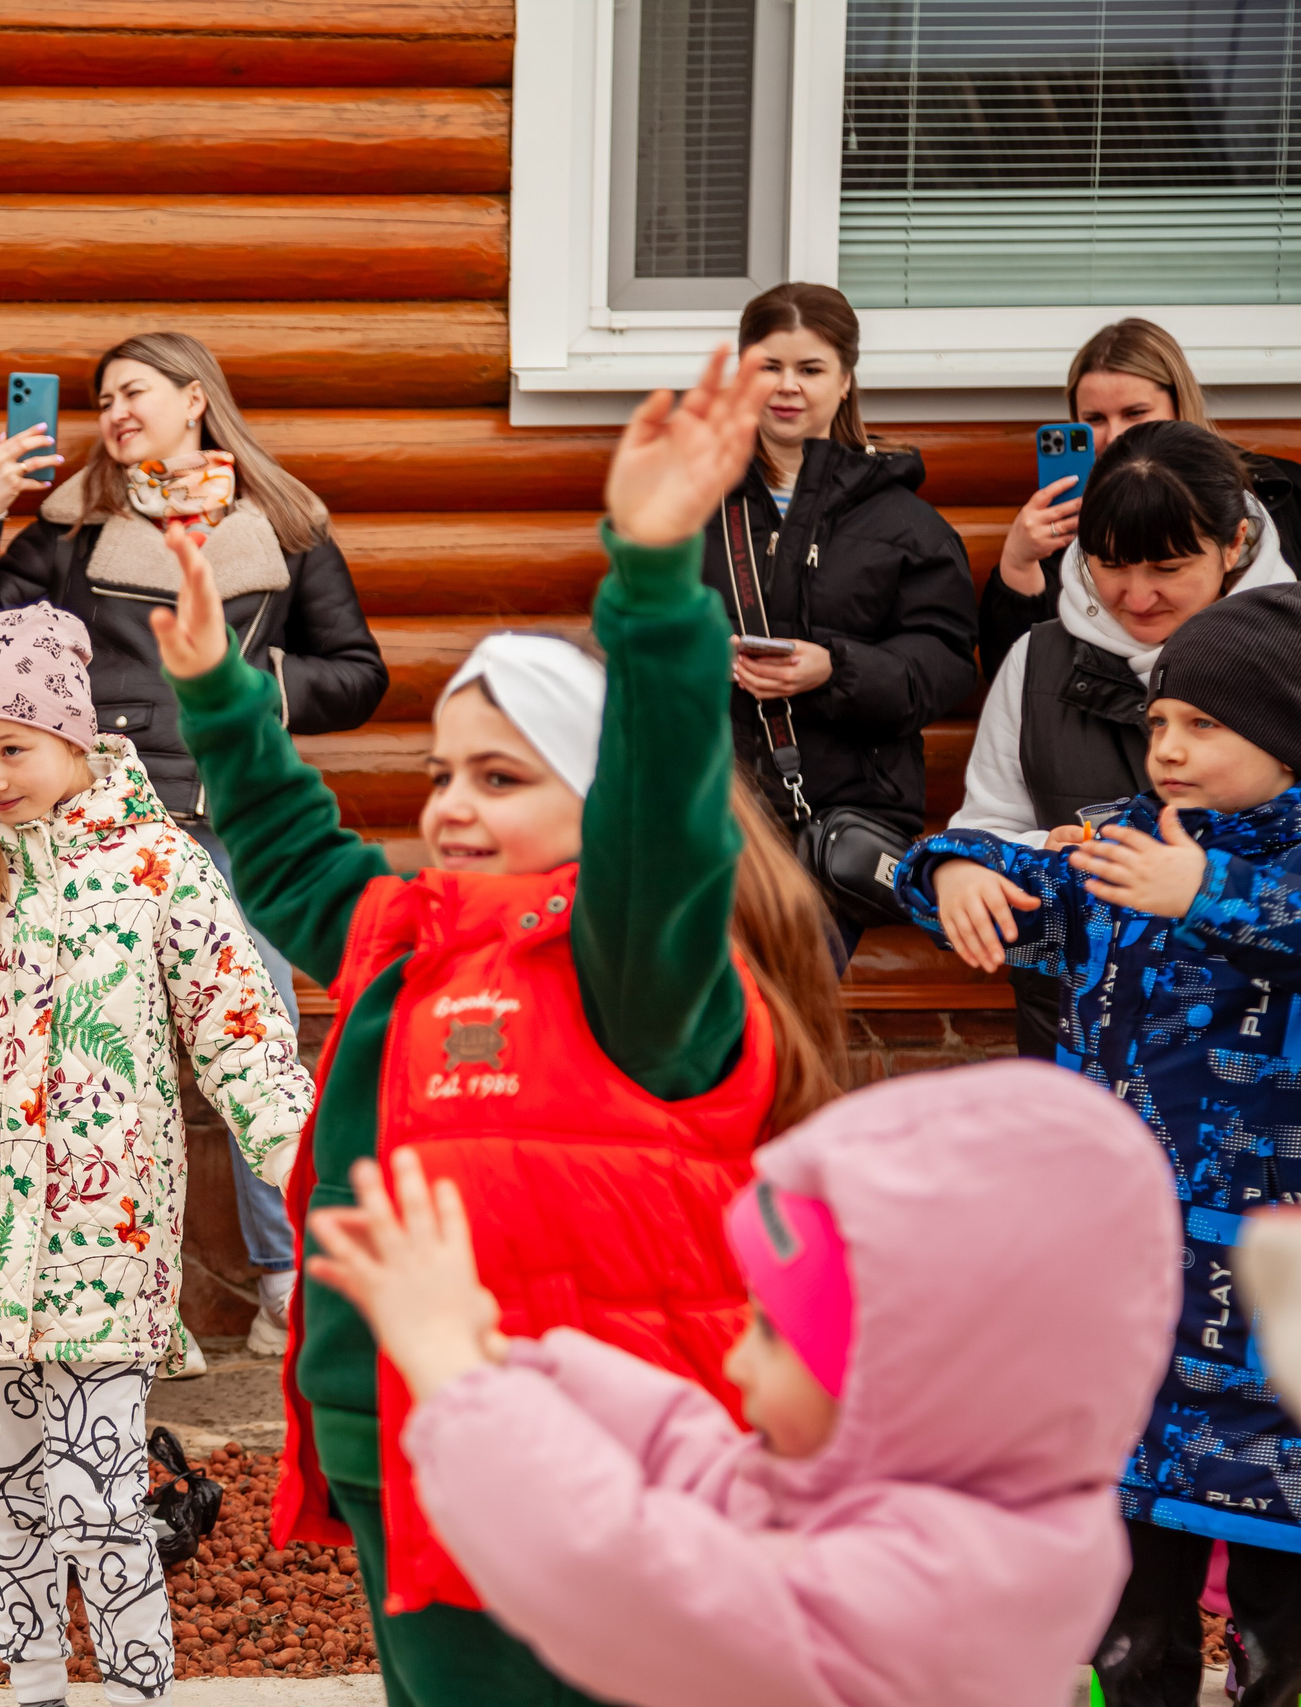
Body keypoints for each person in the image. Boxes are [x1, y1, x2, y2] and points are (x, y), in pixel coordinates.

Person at [152, 346, 850, 1706]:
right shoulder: (408, 930)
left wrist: (652, 582)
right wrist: (223, 701)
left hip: (584, 1453)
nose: (453, 804)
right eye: (439, 774)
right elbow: (292, 854)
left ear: (599, 801)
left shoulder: (637, 963)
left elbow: (667, 807)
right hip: (391, 1429)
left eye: (501, 775)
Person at [304, 1060, 1178, 1707]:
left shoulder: (934, 1586)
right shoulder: (949, 1498)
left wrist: (461, 1385)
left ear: (901, 1370)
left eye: (772, 1329)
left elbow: (628, 1575)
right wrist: (514, 1363)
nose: (735, 1360)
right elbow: (709, 1471)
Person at [0, 601, 317, 1705]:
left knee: (100, 1498)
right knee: (9, 1496)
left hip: (104, 1247)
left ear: (74, 740)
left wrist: (308, 1169)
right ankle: (35, 1682)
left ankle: (138, 1688)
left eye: (17, 749)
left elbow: (239, 1030)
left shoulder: (156, 868)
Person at [0, 331, 388, 1359]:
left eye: (133, 391)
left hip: (233, 822)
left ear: (194, 399)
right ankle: (98, 1303)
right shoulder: (70, 530)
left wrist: (249, 687)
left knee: (256, 1043)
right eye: (102, 399)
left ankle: (285, 1280)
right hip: (107, 821)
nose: (114, 411)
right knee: (100, 1060)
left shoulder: (287, 526)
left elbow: (358, 672)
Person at [899, 586, 1301, 1706]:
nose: (1165, 748)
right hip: (1122, 1270)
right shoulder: (1122, 842)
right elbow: (998, 867)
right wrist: (946, 871)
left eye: (1203, 727)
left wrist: (1209, 891)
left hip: (1271, 1288)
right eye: (1159, 721)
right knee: (1131, 1558)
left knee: (1278, 1564)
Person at [947, 421, 1291, 1057]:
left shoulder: (1288, 651)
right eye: (1109, 565)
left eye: (1168, 566)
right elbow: (988, 823)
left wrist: (1206, 885)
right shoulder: (1037, 660)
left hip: (1255, 1057)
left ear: (1234, 542)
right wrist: (969, 862)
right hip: (1085, 1043)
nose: (1137, 595)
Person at [702, 283, 977, 955]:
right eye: (769, 366)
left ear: (846, 379)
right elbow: (633, 645)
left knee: (783, 1020)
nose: (787, 386)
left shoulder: (908, 524)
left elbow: (942, 669)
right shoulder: (690, 505)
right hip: (705, 817)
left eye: (811, 368)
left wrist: (835, 667)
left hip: (830, 823)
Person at [980, 317, 1301, 680]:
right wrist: (1019, 564)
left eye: (1134, 413)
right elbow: (1018, 678)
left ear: (1180, 403)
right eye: (1094, 419)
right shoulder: (1060, 517)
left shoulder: (1278, 488)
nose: (1114, 434)